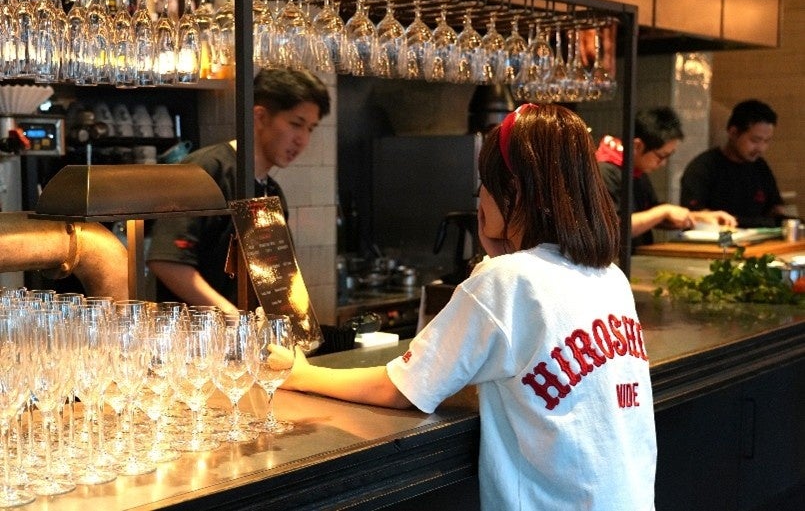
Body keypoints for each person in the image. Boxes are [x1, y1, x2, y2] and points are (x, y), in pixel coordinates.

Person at [280, 104, 657, 510]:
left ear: (513, 191)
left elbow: (403, 388)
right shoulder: (610, 277)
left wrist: (301, 374)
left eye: (484, 185)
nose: (479, 200)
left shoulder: (506, 280)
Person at [147, 68, 331, 314]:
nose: (303, 140)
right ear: (260, 117)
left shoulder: (271, 191)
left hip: (248, 334)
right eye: (296, 124)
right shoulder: (205, 170)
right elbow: (167, 261)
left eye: (310, 128)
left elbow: (275, 281)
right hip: (194, 334)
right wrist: (233, 318)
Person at [596, 107, 736, 248]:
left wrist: (698, 217)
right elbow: (613, 228)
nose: (663, 163)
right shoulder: (604, 172)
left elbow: (650, 215)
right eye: (661, 156)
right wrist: (663, 212)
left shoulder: (636, 171)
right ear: (637, 146)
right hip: (615, 260)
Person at [680, 99, 787, 227]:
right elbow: (693, 215)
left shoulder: (760, 166)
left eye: (767, 141)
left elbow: (775, 207)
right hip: (720, 236)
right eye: (755, 140)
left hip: (758, 237)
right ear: (733, 133)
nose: (761, 148)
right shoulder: (703, 167)